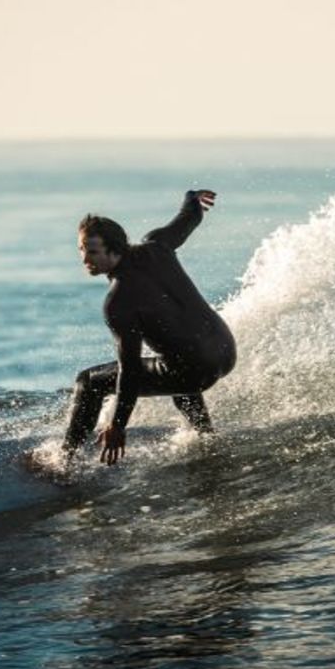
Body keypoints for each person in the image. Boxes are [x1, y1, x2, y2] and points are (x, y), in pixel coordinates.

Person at [62, 189, 237, 465]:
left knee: (89, 382)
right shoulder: (157, 245)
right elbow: (187, 220)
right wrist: (192, 199)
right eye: (82, 250)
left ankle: (65, 462)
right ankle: (207, 437)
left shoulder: (119, 302)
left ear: (114, 249)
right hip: (225, 351)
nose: (85, 259)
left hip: (196, 370)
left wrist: (118, 426)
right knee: (177, 360)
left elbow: (129, 370)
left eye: (92, 252)